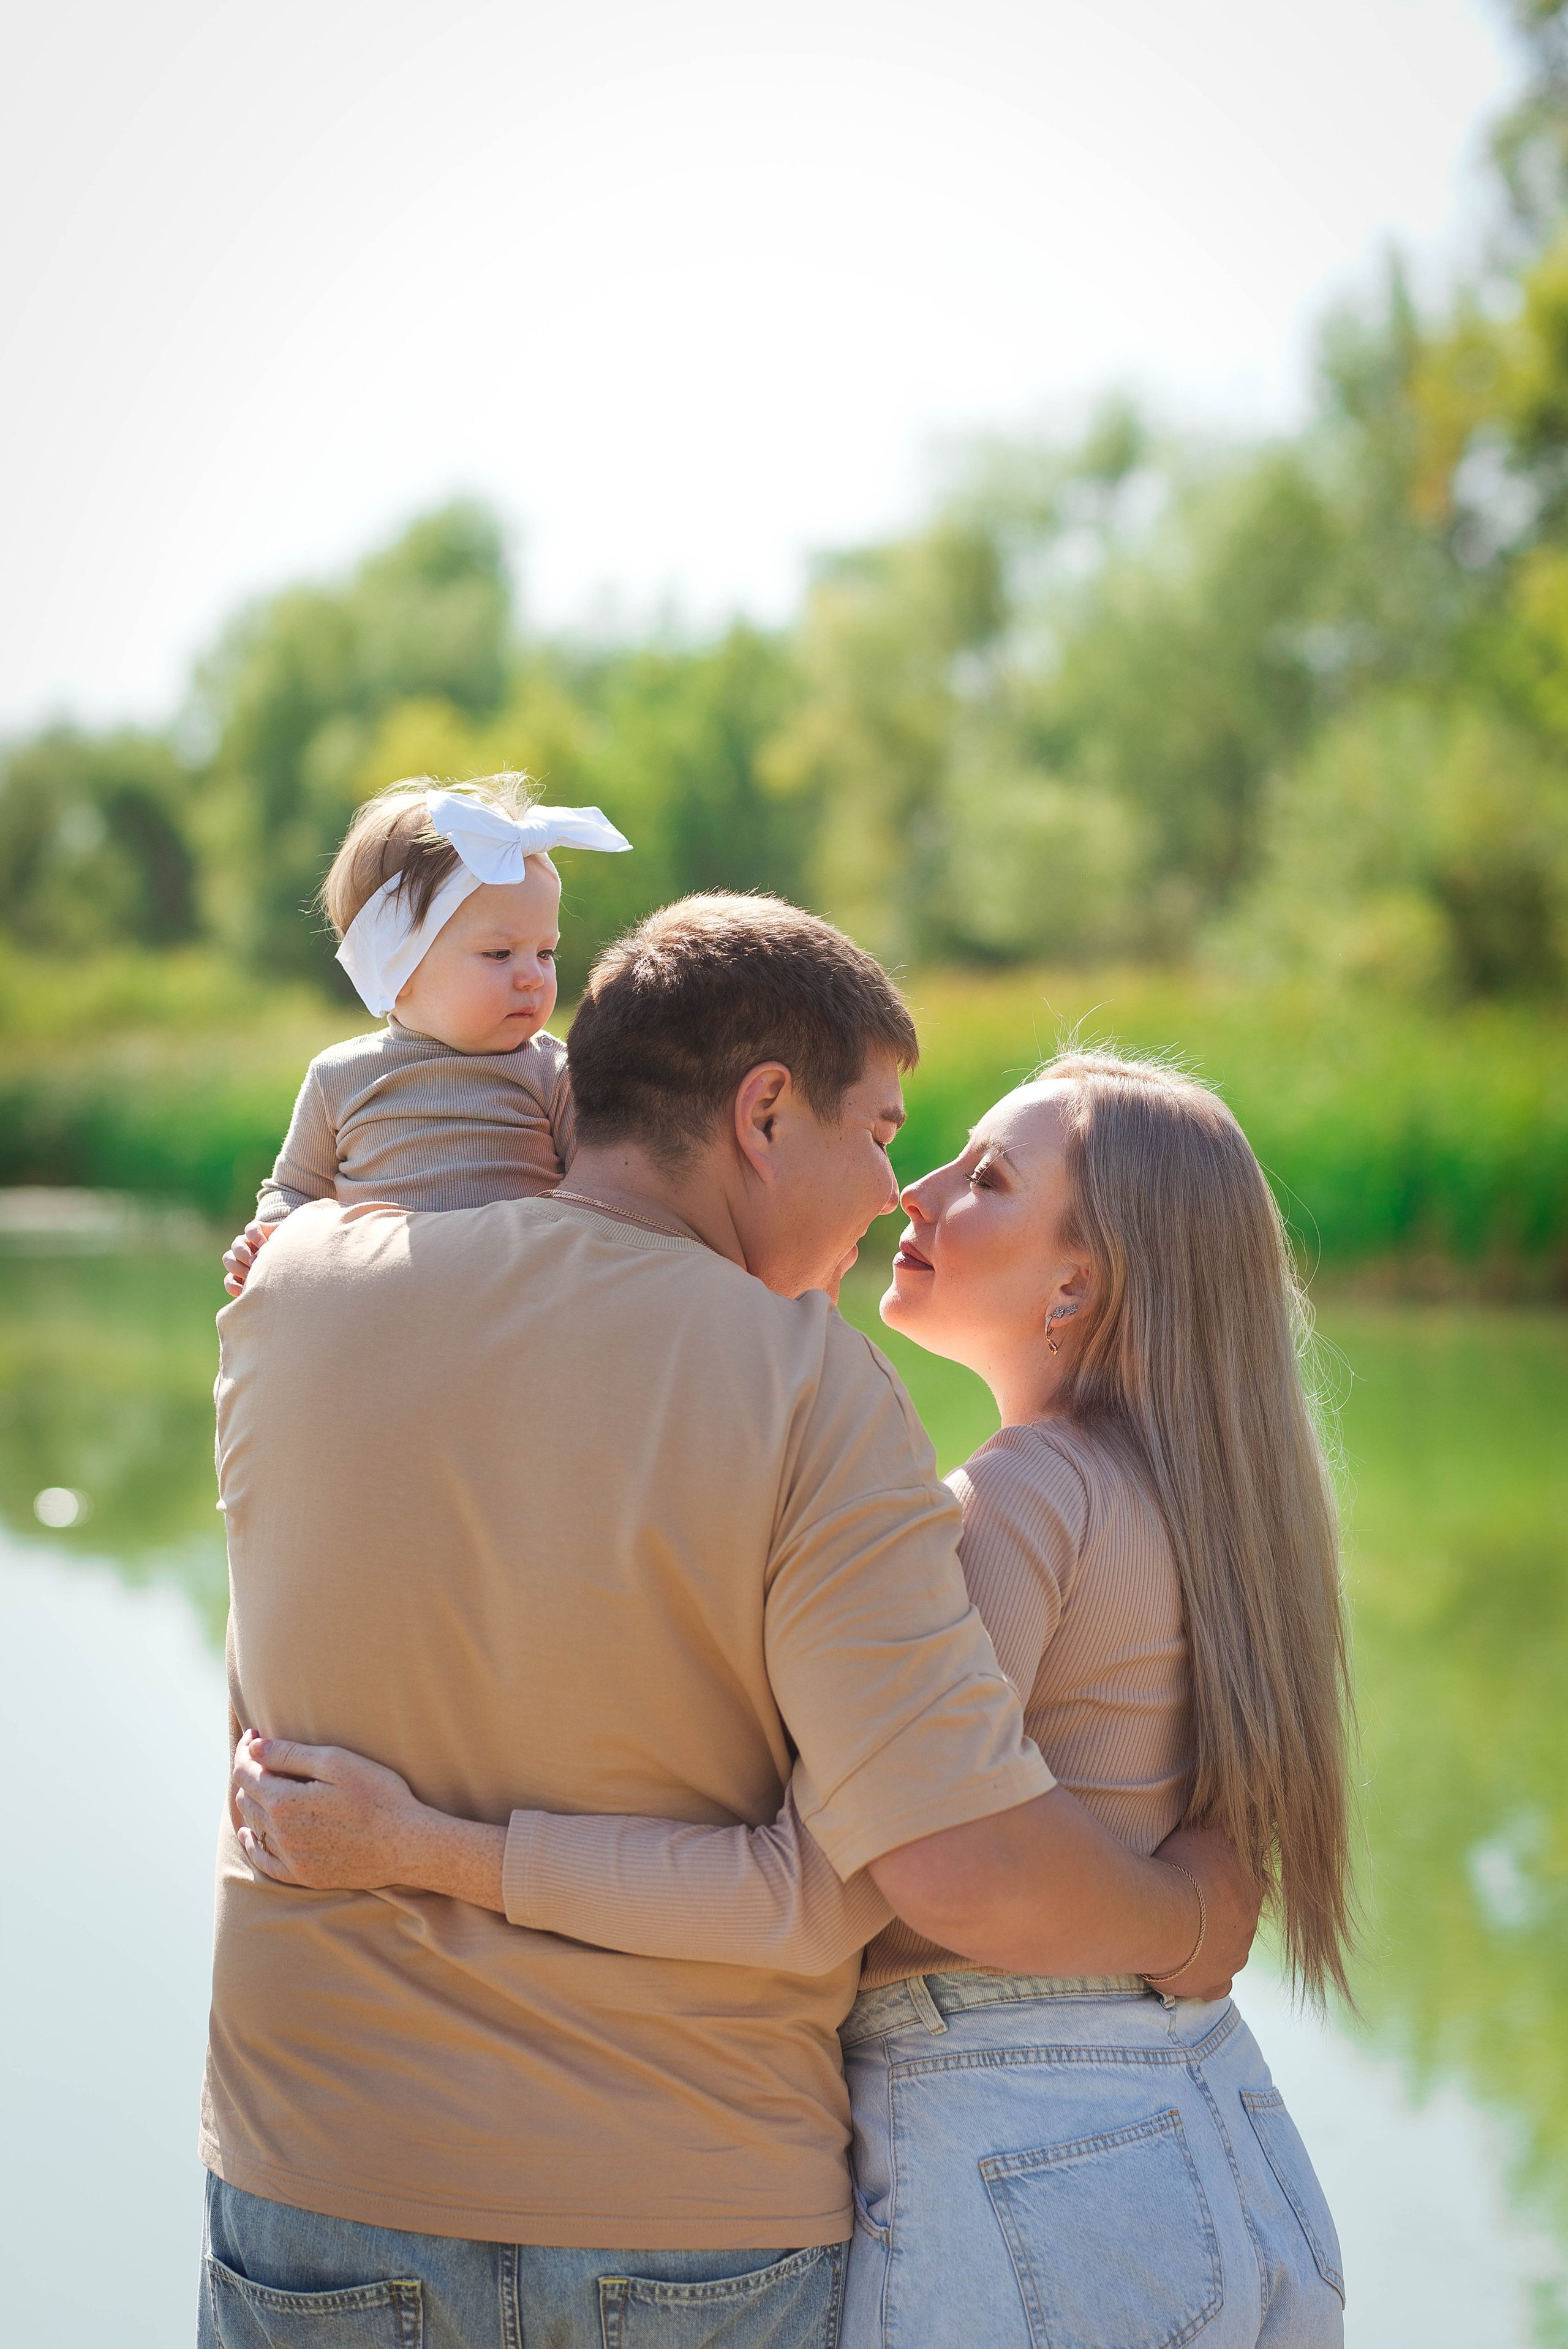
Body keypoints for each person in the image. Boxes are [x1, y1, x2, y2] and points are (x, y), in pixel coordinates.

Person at [205, 897, 1255, 2349]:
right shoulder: (807, 1387)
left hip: (315, 2172)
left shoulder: (284, 1291)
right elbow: (871, 1876)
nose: (896, 1187)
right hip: (689, 2206)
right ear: (763, 1111)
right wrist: (1197, 1911)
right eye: (881, 1130)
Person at [219, 770, 630, 1296]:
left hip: (516, 1302)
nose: (534, 975)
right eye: (499, 954)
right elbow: (293, 1189)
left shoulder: (553, 1072)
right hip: (379, 1305)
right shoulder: (340, 1077)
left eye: (545, 952)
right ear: (400, 967)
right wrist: (269, 1238)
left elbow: (605, 1191)